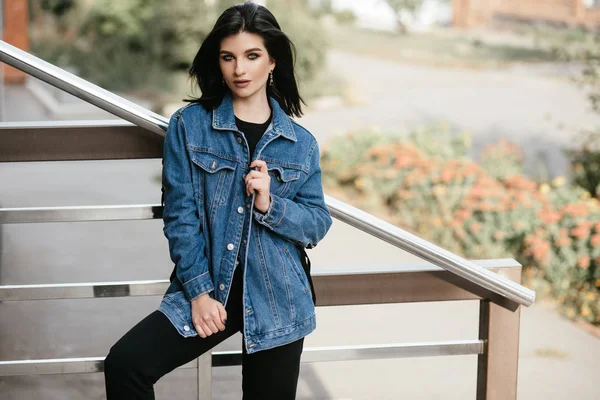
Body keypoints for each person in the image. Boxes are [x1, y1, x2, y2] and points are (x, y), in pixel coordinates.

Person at [103, 2, 333, 399]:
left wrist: (269, 205)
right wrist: (199, 293)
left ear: (273, 61)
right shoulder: (189, 126)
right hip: (212, 289)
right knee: (126, 365)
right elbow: (181, 216)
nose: (239, 69)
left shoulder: (302, 144)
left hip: (279, 298)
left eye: (251, 56)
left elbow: (316, 223)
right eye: (228, 57)